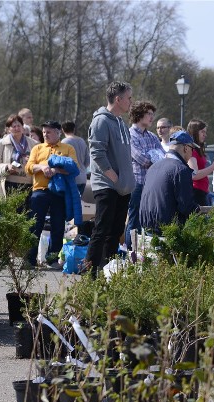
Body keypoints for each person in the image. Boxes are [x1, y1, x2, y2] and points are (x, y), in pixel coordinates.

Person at [85, 80, 134, 275]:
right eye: (129, 98)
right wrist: (113, 177)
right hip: (107, 185)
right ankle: (89, 272)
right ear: (118, 99)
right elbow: (97, 152)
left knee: (115, 231)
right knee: (101, 229)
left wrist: (124, 181)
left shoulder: (121, 122)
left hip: (122, 187)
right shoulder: (101, 121)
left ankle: (107, 271)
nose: (131, 101)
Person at [25, 121, 80, 267]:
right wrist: (42, 167)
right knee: (35, 224)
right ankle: (30, 258)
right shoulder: (37, 148)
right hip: (40, 190)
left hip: (59, 191)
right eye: (43, 132)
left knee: (57, 225)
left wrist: (56, 170)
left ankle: (53, 258)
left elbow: (74, 169)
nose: (45, 135)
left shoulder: (68, 148)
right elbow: (29, 167)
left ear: (58, 133)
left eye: (49, 132)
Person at [139, 131, 199, 232]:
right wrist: (199, 211)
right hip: (168, 230)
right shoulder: (181, 170)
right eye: (192, 149)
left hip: (146, 228)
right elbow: (186, 207)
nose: (192, 153)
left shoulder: (153, 167)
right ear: (186, 148)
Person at [126, 100, 164, 250]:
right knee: (134, 220)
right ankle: (131, 252)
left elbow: (163, 156)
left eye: (152, 114)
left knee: (147, 220)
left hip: (151, 184)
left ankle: (142, 251)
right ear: (139, 114)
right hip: (137, 183)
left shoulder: (152, 137)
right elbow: (143, 160)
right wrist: (154, 157)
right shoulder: (129, 135)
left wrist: (154, 157)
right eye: (148, 114)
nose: (151, 117)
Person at [0, 114, 37, 198]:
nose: (17, 128)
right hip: (9, 183)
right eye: (14, 126)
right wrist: (6, 167)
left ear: (23, 127)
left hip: (28, 184)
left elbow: (39, 162)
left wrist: (31, 161)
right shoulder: (2, 143)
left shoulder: (33, 144)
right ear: (8, 129)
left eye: (19, 125)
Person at [185, 119, 214, 207]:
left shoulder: (198, 149)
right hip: (196, 192)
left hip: (202, 191)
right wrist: (213, 166)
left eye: (205, 132)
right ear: (194, 132)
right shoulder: (192, 150)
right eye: (202, 132)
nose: (205, 135)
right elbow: (194, 174)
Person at [61, 121, 90, 196]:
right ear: (74, 129)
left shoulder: (64, 142)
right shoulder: (82, 141)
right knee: (77, 203)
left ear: (62, 130)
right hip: (83, 177)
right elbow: (87, 161)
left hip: (71, 178)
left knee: (68, 204)